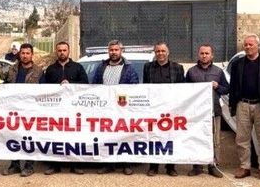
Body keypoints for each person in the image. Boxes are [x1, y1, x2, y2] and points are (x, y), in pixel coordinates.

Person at [228, 34, 260, 180]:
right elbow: (233, 86)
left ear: (258, 46)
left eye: (251, 44)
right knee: (242, 138)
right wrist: (233, 104)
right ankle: (245, 166)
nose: (248, 47)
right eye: (246, 45)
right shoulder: (238, 64)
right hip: (243, 104)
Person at [91, 40, 139, 175]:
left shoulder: (129, 68)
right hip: (104, 109)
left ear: (121, 51)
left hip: (122, 109)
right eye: (111, 50)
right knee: (107, 137)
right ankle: (108, 164)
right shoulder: (101, 67)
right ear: (108, 51)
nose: (113, 52)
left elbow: (134, 87)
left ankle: (126, 164)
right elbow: (94, 86)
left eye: (116, 50)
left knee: (124, 136)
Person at [41, 41, 89, 175]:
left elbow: (85, 84)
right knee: (55, 137)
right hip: (55, 110)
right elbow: (44, 88)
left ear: (69, 51)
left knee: (74, 137)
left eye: (64, 50)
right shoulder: (50, 69)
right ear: (56, 52)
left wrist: (71, 83)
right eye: (59, 50)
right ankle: (55, 165)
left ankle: (75, 165)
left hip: (74, 110)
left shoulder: (78, 67)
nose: (62, 52)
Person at [185, 43, 228, 178]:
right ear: (199, 55)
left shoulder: (218, 71)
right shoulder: (191, 72)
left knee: (214, 140)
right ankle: (197, 166)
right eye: (202, 53)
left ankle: (213, 165)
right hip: (196, 112)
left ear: (212, 55)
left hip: (213, 110)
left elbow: (226, 89)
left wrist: (217, 86)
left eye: (207, 53)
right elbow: (185, 91)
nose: (204, 56)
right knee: (196, 137)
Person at [143, 42, 185, 176]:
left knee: (171, 137)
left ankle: (171, 166)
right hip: (153, 109)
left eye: (163, 51)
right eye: (158, 51)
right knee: (153, 137)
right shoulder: (147, 67)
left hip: (171, 109)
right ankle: (153, 166)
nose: (160, 53)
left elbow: (183, 88)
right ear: (155, 53)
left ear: (168, 52)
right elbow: (145, 87)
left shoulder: (178, 68)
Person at [2, 43, 44, 177]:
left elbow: (45, 91)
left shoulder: (39, 71)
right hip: (14, 110)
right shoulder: (12, 69)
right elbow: (5, 87)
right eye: (23, 53)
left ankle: (29, 165)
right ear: (19, 54)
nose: (25, 56)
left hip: (31, 111)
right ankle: (14, 165)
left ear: (32, 55)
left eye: (27, 53)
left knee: (29, 138)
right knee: (14, 137)